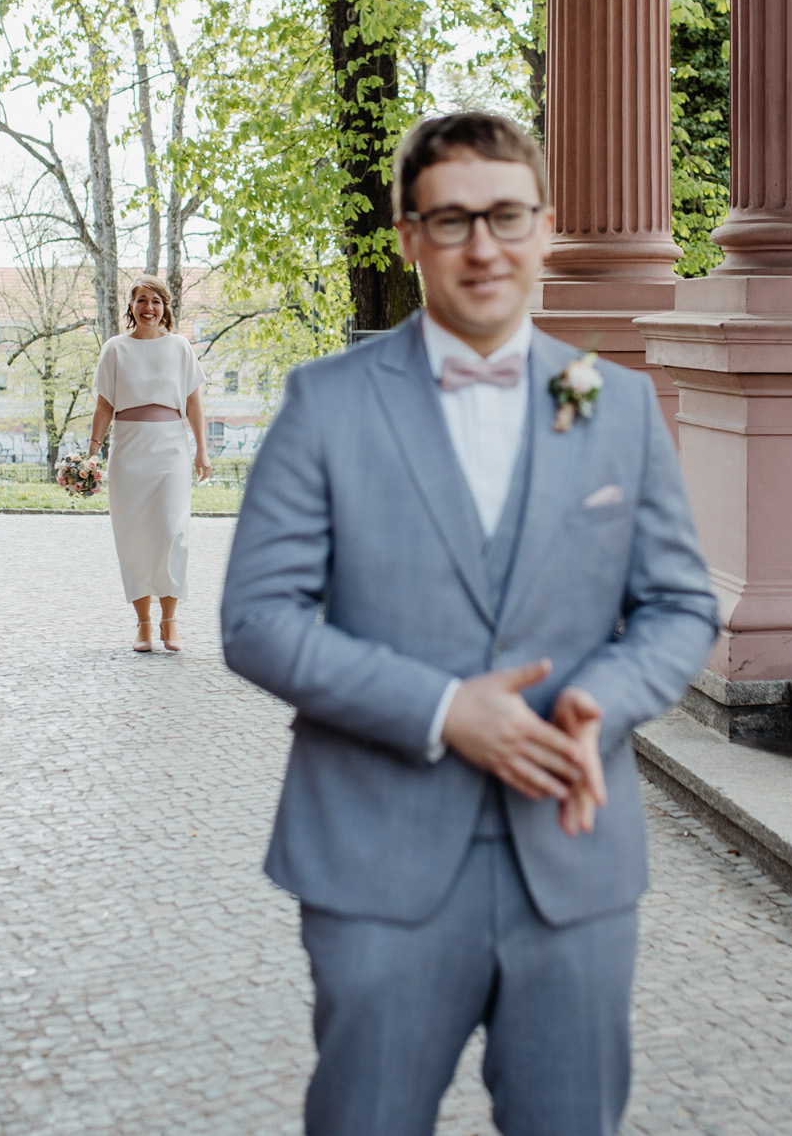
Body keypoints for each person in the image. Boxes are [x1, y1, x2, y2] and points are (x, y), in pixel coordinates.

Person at [220, 112, 719, 1135]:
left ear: (543, 228)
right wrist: (445, 708)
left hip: (571, 866)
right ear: (408, 236)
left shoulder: (609, 402)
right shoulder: (326, 401)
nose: (481, 246)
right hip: (376, 860)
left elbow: (677, 605)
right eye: (450, 221)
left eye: (504, 216)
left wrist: (597, 701)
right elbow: (257, 618)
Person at [89, 276, 213, 653]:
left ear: (165, 307)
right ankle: (143, 624)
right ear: (131, 306)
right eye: (141, 300)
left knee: (173, 532)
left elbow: (193, 403)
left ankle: (170, 622)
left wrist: (201, 450)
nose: (149, 307)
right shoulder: (114, 349)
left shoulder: (180, 348)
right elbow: (104, 406)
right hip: (128, 451)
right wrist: (92, 452)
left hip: (170, 450)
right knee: (133, 537)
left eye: (156, 301)